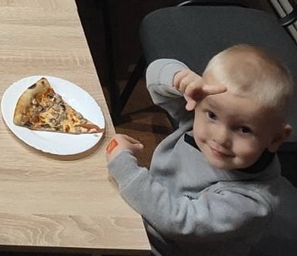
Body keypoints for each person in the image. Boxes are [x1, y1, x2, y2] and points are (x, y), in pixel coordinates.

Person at [107, 45, 293, 255]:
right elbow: (155, 77)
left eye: (244, 129)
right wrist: (180, 80)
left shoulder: (250, 202)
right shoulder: (200, 116)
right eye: (212, 115)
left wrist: (124, 168)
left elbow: (177, 220)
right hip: (146, 205)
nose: (220, 137)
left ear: (276, 138)